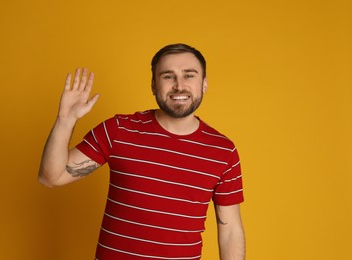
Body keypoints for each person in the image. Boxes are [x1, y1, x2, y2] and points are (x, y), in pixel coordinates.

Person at [39, 43, 245, 260]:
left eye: (189, 75)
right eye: (168, 76)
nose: (179, 85)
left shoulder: (223, 151)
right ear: (154, 86)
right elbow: (50, 177)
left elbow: (230, 231)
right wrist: (66, 120)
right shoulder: (119, 130)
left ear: (204, 84)